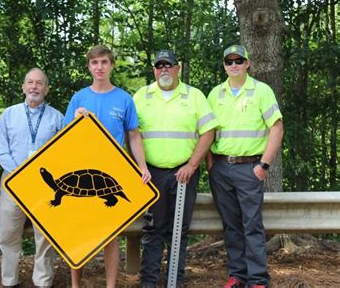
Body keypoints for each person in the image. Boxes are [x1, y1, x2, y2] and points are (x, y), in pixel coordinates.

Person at [64, 45, 151, 288]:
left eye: (104, 62)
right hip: (80, 171)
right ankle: (75, 285)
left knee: (110, 237)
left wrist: (141, 167)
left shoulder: (124, 99)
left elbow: (133, 136)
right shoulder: (79, 97)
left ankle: (110, 286)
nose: (99, 67)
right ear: (89, 67)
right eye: (94, 63)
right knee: (77, 234)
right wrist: (74, 119)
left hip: (111, 172)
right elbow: (63, 137)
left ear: (111, 65)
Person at [133, 50, 217, 287]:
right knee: (152, 231)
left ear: (178, 68)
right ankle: (148, 282)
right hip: (152, 174)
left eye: (168, 65)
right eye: (159, 66)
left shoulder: (195, 96)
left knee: (178, 232)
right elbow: (131, 134)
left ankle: (174, 282)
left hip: (184, 174)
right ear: (154, 70)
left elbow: (208, 132)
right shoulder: (141, 96)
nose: (164, 70)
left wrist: (191, 165)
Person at [207, 45, 283, 288]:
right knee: (231, 226)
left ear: (247, 63)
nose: (234, 65)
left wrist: (264, 165)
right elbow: (206, 132)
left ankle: (258, 279)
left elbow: (277, 128)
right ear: (224, 66)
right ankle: (237, 276)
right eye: (229, 61)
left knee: (252, 225)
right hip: (220, 168)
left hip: (249, 168)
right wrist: (210, 165)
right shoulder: (215, 94)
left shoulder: (261, 91)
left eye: (238, 60)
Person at [0, 68, 64, 288]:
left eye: (40, 83)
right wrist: (19, 175)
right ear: (23, 87)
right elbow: (1, 150)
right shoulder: (9, 114)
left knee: (44, 237)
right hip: (12, 182)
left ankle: (42, 281)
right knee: (8, 234)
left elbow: (62, 152)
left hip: (44, 184)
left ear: (47, 89)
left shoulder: (57, 117)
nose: (34, 87)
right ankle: (9, 281)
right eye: (30, 82)